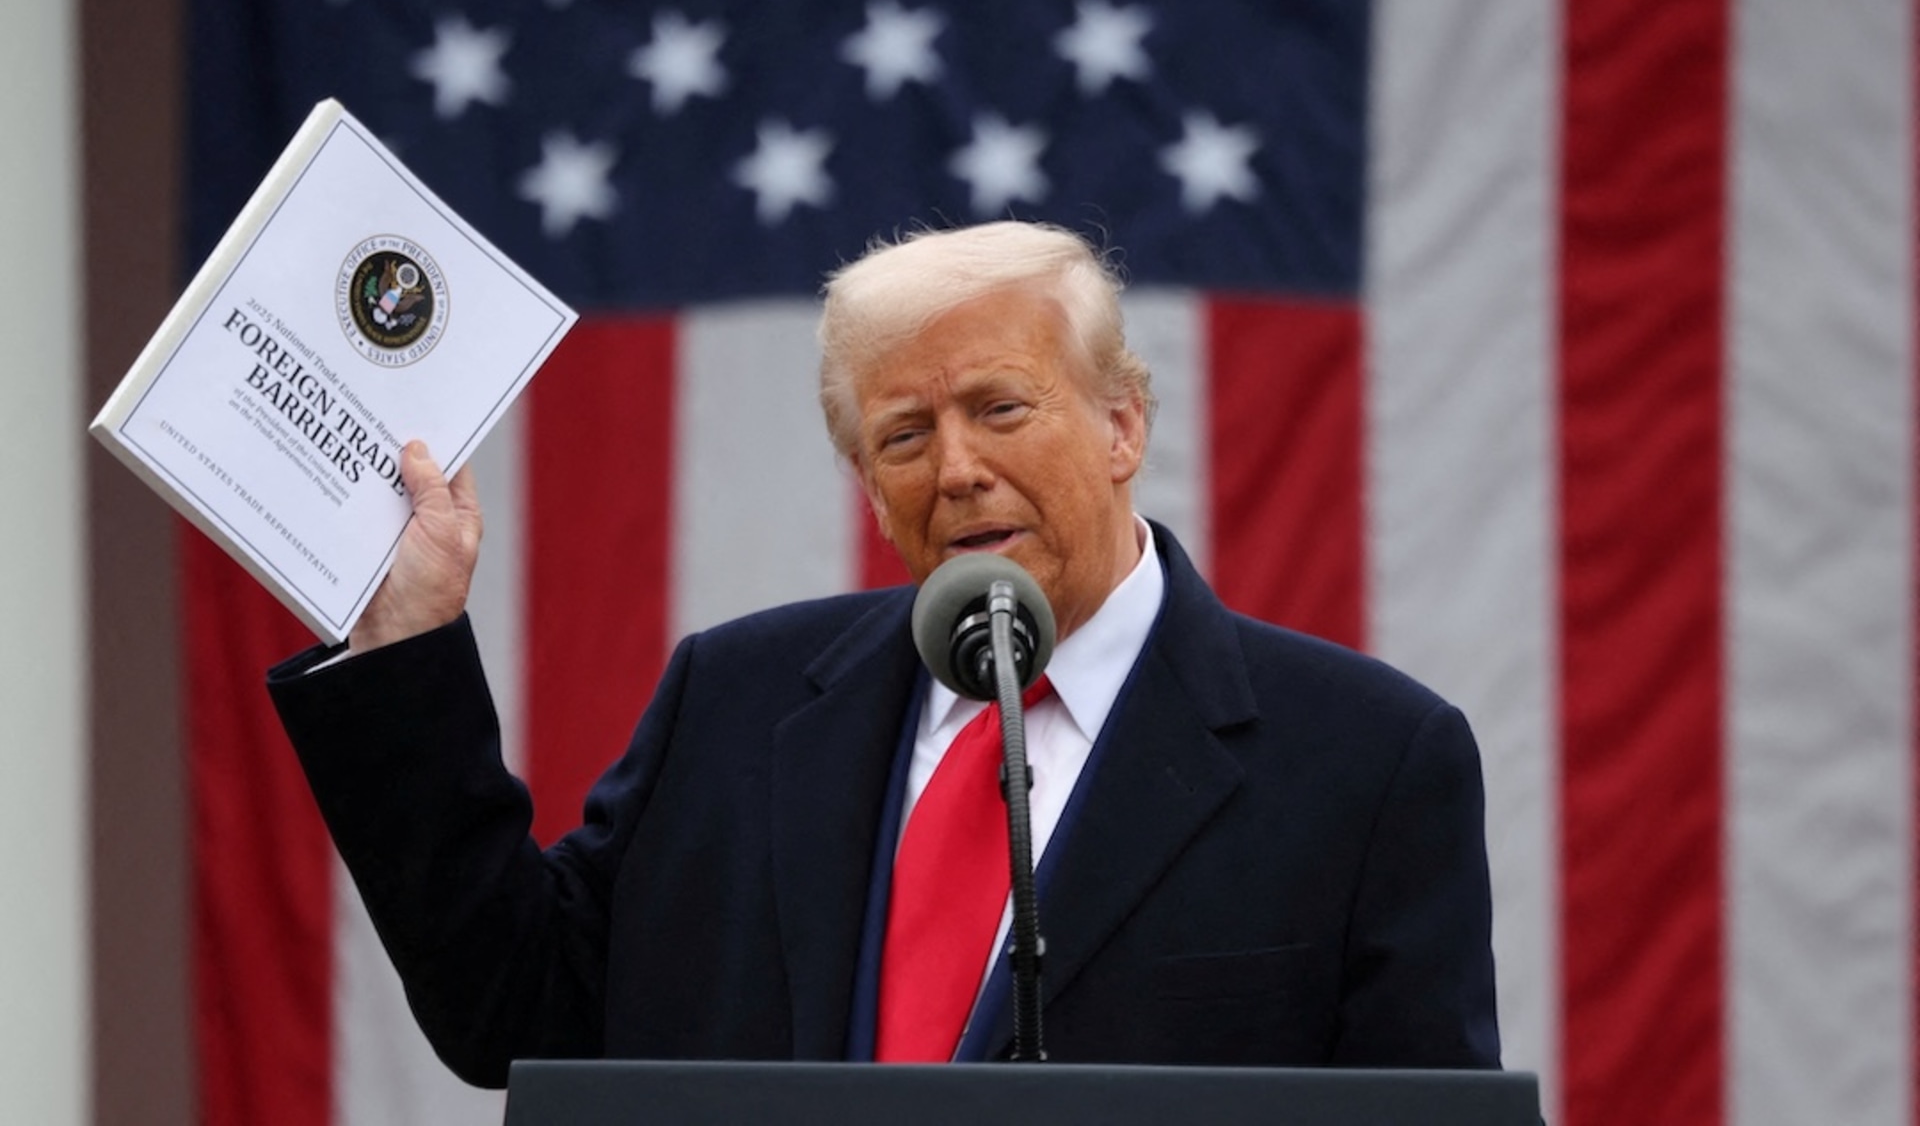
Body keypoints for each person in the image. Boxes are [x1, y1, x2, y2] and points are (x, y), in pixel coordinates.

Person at [267, 220, 1500, 1086]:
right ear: (869, 481)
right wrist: (410, 636)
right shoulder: (736, 703)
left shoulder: (1368, 762)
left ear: (1122, 422)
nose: (957, 466)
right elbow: (516, 1008)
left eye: (1001, 408)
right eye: (905, 433)